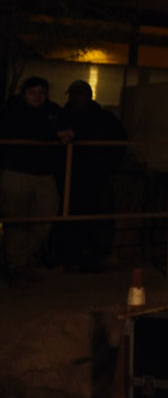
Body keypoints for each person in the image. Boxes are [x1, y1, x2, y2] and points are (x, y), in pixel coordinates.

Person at [2, 76, 69, 280]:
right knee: (16, 221)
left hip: (44, 174)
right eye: (32, 92)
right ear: (24, 94)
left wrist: (69, 134)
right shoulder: (12, 110)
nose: (37, 96)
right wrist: (55, 135)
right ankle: (17, 266)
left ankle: (20, 259)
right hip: (17, 172)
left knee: (46, 218)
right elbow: (23, 130)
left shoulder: (54, 111)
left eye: (41, 92)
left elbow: (68, 128)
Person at [57, 80, 126, 271]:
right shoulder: (63, 116)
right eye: (74, 94)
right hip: (72, 176)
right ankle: (72, 255)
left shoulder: (103, 118)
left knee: (97, 216)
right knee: (73, 216)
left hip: (96, 175)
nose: (77, 98)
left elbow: (119, 143)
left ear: (89, 96)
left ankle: (96, 254)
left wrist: (108, 165)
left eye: (80, 94)